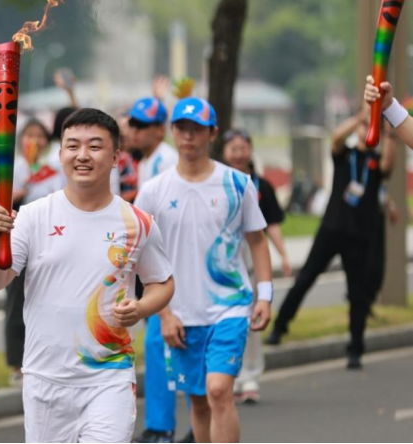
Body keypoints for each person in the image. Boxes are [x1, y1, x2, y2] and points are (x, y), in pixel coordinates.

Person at [0, 108, 175, 443]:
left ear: (114, 157)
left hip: (108, 376)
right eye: (73, 146)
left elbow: (162, 282)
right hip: (45, 379)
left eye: (95, 146)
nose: (82, 155)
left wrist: (142, 307)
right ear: (60, 155)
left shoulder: (137, 222)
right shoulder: (32, 217)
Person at [136, 98, 273, 444]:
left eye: (197, 129)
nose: (188, 136)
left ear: (211, 133)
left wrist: (265, 295)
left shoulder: (238, 184)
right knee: (198, 402)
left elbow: (257, 241)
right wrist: (163, 314)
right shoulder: (153, 192)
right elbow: (142, 258)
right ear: (173, 131)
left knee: (218, 389)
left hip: (230, 306)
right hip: (180, 313)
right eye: (182, 128)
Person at [266, 104, 395, 371]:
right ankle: (280, 328)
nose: (365, 130)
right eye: (363, 126)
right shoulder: (345, 155)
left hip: (360, 236)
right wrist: (361, 117)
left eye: (370, 128)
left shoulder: (375, 161)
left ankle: (356, 349)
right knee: (305, 279)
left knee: (357, 294)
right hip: (332, 230)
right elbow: (335, 138)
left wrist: (389, 132)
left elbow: (388, 165)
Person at [222, 129, 291, 404]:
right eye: (233, 148)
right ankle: (231, 375)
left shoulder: (261, 186)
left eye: (243, 148)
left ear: (250, 150)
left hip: (249, 265)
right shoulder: (215, 183)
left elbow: (270, 225)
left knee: (251, 321)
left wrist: (283, 254)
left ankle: (250, 376)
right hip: (220, 266)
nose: (238, 153)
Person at [129, 97, 183, 444]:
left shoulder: (167, 161)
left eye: (142, 125)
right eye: (133, 123)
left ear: (160, 130)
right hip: (154, 271)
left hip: (169, 273)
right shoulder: (148, 162)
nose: (134, 130)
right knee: (161, 349)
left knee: (162, 346)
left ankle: (161, 429)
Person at [5, 119, 65, 387]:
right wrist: (16, 195)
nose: (35, 141)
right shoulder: (15, 168)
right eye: (30, 135)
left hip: (50, 244)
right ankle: (17, 363)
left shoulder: (54, 169)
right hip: (20, 244)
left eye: (40, 136)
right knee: (17, 303)